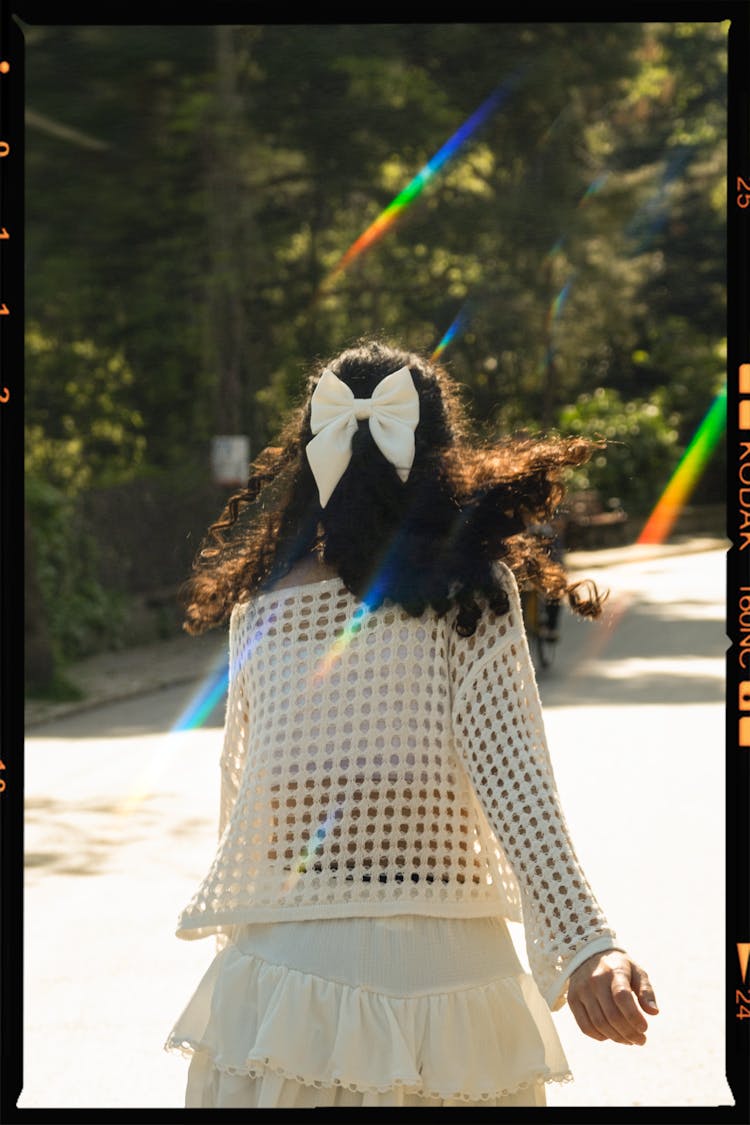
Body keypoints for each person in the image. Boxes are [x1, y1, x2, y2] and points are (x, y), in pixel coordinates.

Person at [164, 339, 658, 1108]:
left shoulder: (261, 606)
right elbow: (515, 780)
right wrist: (586, 945)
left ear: (312, 457)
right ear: (436, 457)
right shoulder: (470, 592)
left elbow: (246, 807)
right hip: (448, 982)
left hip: (285, 986)